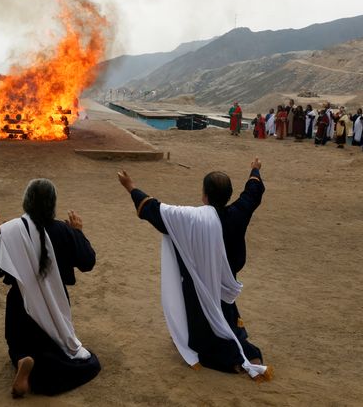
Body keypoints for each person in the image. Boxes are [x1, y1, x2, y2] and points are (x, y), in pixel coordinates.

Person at [116, 162, 273, 382]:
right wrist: (255, 170)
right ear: (228, 195)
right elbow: (253, 192)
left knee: (205, 331)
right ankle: (246, 352)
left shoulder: (191, 219)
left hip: (198, 284)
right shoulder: (238, 212)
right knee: (225, 317)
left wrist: (130, 186)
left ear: (204, 195)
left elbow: (155, 210)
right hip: (226, 282)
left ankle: (234, 357)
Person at [0, 179, 100, 398]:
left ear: (25, 203)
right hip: (56, 305)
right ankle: (40, 364)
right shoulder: (65, 231)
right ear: (52, 205)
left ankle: (21, 360)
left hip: (20, 308)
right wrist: (78, 233)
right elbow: (88, 262)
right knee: (74, 356)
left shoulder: (10, 231)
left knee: (17, 344)